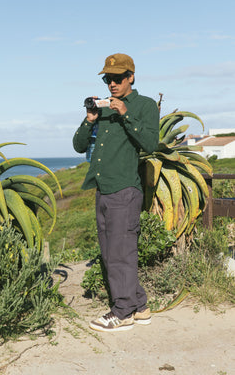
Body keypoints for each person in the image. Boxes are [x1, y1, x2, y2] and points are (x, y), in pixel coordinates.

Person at [73, 53, 159, 332]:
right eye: (108, 79)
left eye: (118, 78)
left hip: (125, 190)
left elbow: (150, 143)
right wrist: (90, 119)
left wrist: (125, 113)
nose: (112, 84)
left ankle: (122, 312)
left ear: (131, 77)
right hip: (103, 188)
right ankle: (140, 306)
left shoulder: (143, 105)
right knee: (111, 253)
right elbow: (78, 145)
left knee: (121, 252)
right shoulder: (103, 108)